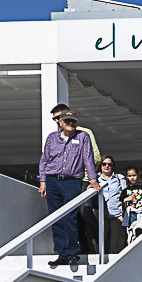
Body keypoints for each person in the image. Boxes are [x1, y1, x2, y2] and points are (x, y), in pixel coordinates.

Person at [36, 109, 98, 267]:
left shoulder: (82, 136)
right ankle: (61, 254)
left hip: (71, 182)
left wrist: (93, 180)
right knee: (55, 218)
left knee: (70, 217)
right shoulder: (52, 138)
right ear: (60, 122)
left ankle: (72, 253)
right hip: (52, 181)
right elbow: (44, 160)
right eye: (67, 121)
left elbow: (88, 158)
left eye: (74, 121)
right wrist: (43, 181)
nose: (71, 124)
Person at [94, 155, 127, 254]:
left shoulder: (119, 178)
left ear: (113, 166)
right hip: (101, 214)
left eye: (109, 164)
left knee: (117, 241)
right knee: (99, 239)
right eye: (104, 164)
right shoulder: (95, 178)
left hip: (117, 214)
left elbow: (125, 195)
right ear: (100, 165)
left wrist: (125, 213)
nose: (106, 166)